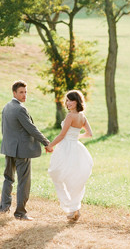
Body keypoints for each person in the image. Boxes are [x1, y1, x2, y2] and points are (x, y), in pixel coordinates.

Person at [0, 80, 51, 221]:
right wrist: (46, 142)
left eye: (25, 92)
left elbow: (3, 129)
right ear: (14, 93)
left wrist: (8, 144)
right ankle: (20, 213)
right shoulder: (20, 109)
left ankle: (4, 208)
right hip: (21, 151)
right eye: (21, 92)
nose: (24, 95)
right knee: (24, 182)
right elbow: (31, 128)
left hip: (8, 149)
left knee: (8, 179)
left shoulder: (6, 107)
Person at [46, 90, 94, 221]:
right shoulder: (82, 116)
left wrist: (50, 145)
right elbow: (89, 133)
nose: (68, 103)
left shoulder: (70, 117)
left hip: (66, 148)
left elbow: (62, 135)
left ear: (77, 101)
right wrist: (76, 137)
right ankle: (74, 208)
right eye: (66, 100)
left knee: (59, 175)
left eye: (71, 100)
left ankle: (72, 208)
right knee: (72, 178)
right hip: (76, 148)